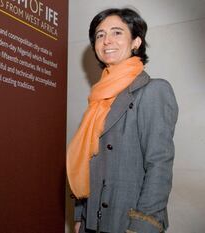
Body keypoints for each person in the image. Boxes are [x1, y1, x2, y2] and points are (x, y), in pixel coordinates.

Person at [66, 8, 178, 233]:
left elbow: (159, 165)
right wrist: (80, 216)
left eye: (117, 32)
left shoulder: (153, 90)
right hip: (92, 222)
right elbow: (88, 161)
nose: (107, 40)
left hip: (126, 223)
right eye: (100, 35)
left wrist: (142, 226)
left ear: (136, 41)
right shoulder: (98, 99)